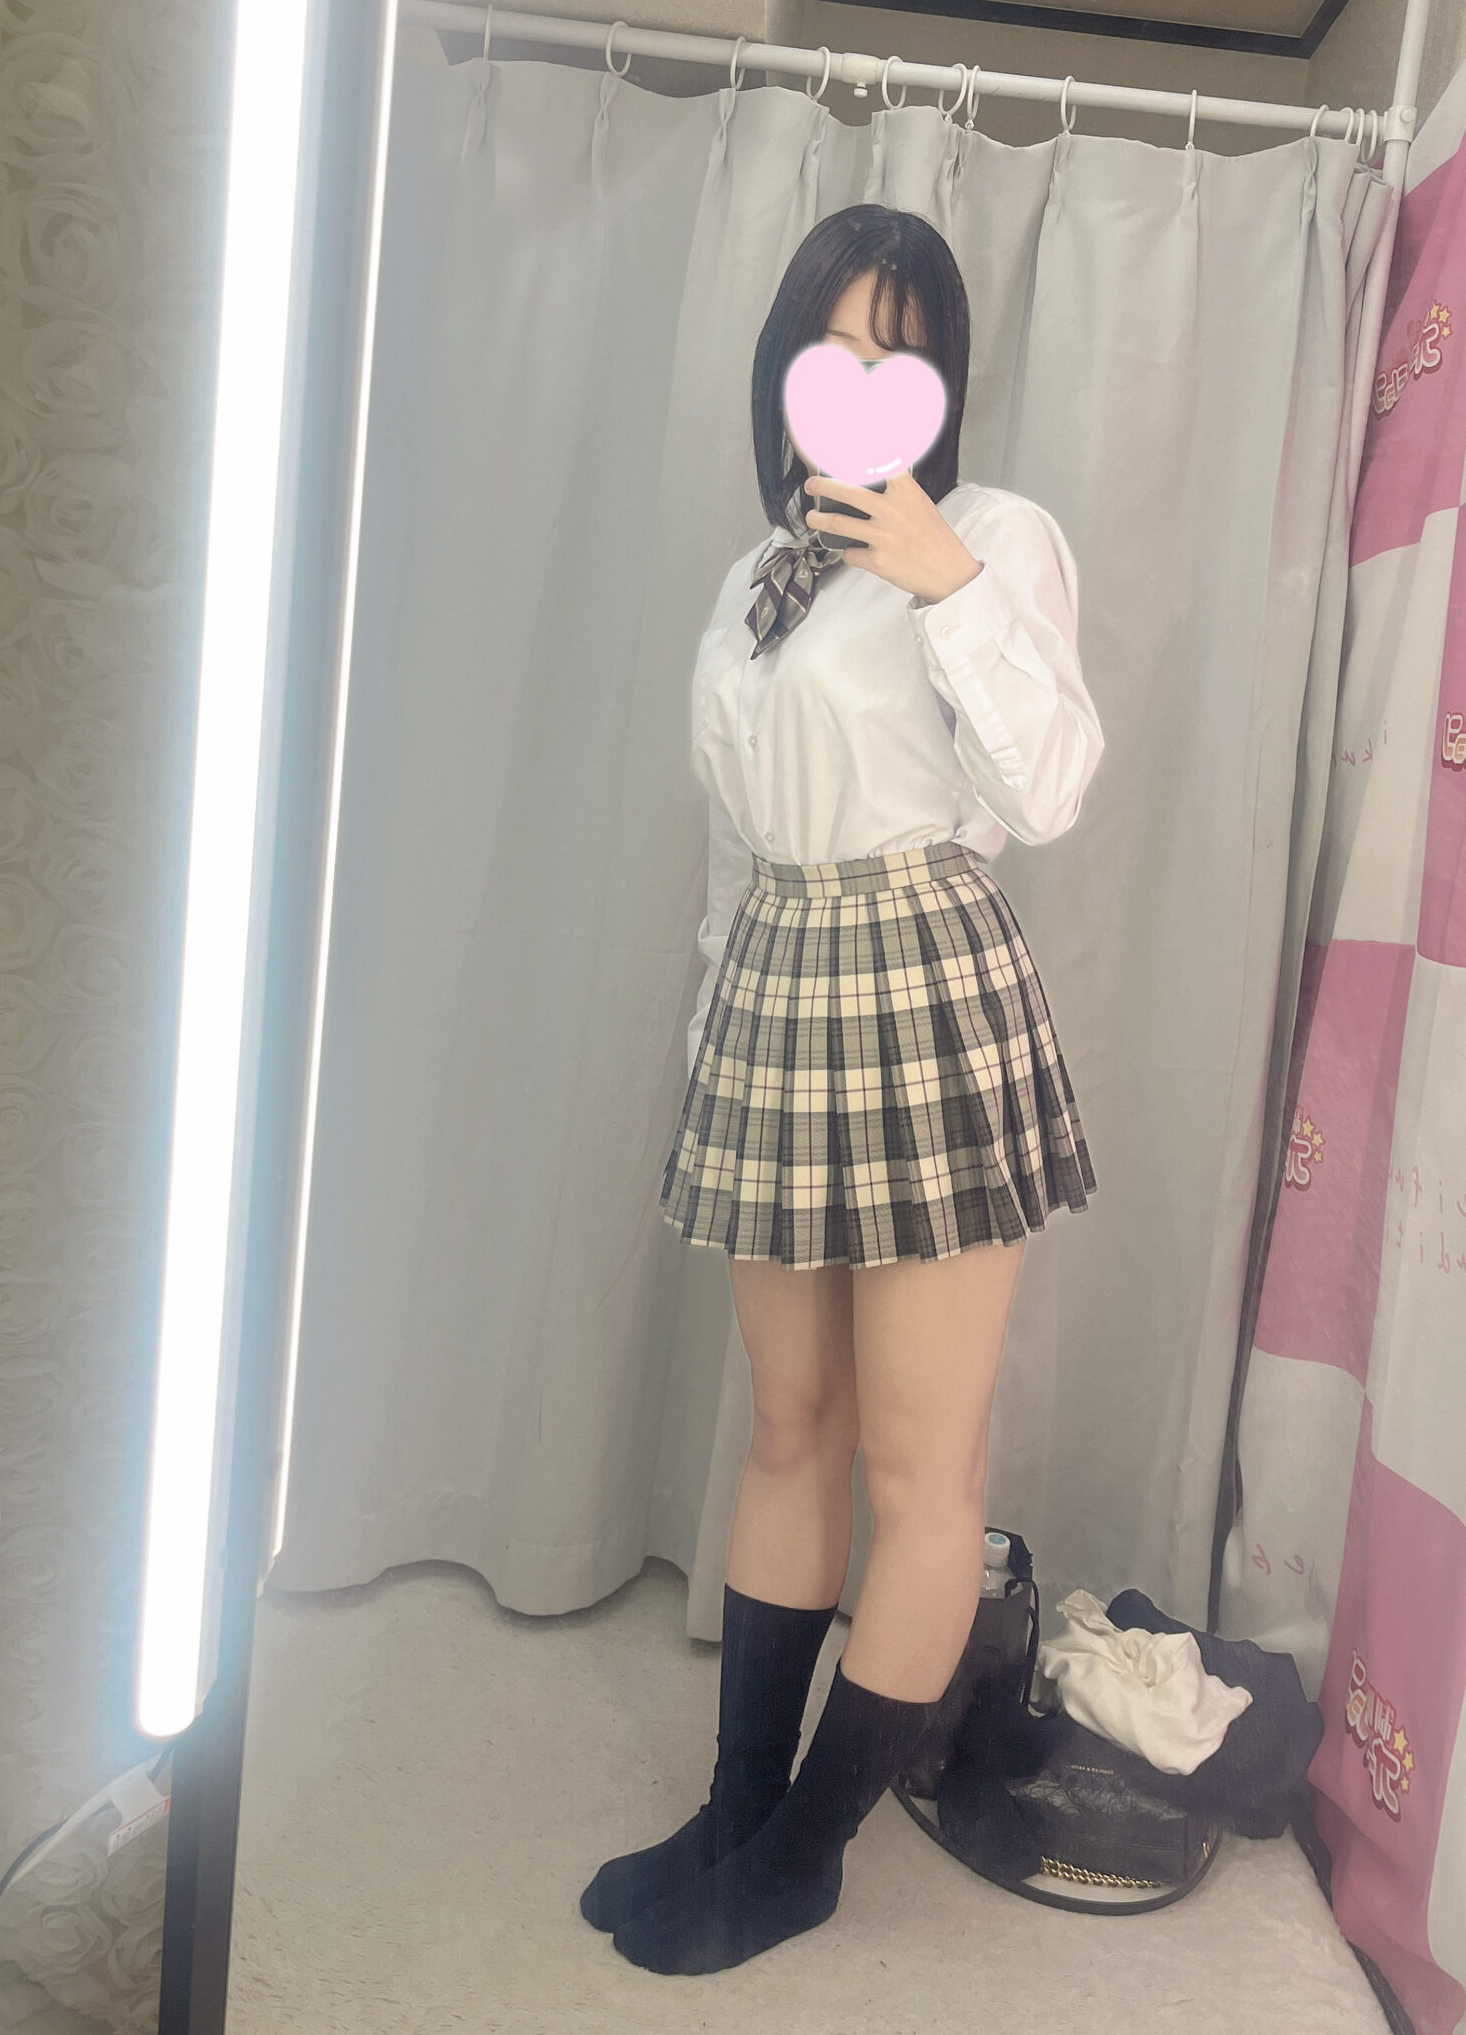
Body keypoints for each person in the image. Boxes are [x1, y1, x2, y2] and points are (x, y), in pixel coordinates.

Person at [582, 204, 1104, 1975]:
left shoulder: (995, 536)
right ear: (785, 368)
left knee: (917, 1459)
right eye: (833, 344)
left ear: (942, 380)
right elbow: (739, 841)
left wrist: (944, 576)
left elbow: (1048, 790)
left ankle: (804, 1853)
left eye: (902, 349)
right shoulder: (756, 577)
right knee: (787, 1429)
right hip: (779, 983)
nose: (863, 376)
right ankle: (738, 1811)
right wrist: (710, 1038)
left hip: (927, 984)